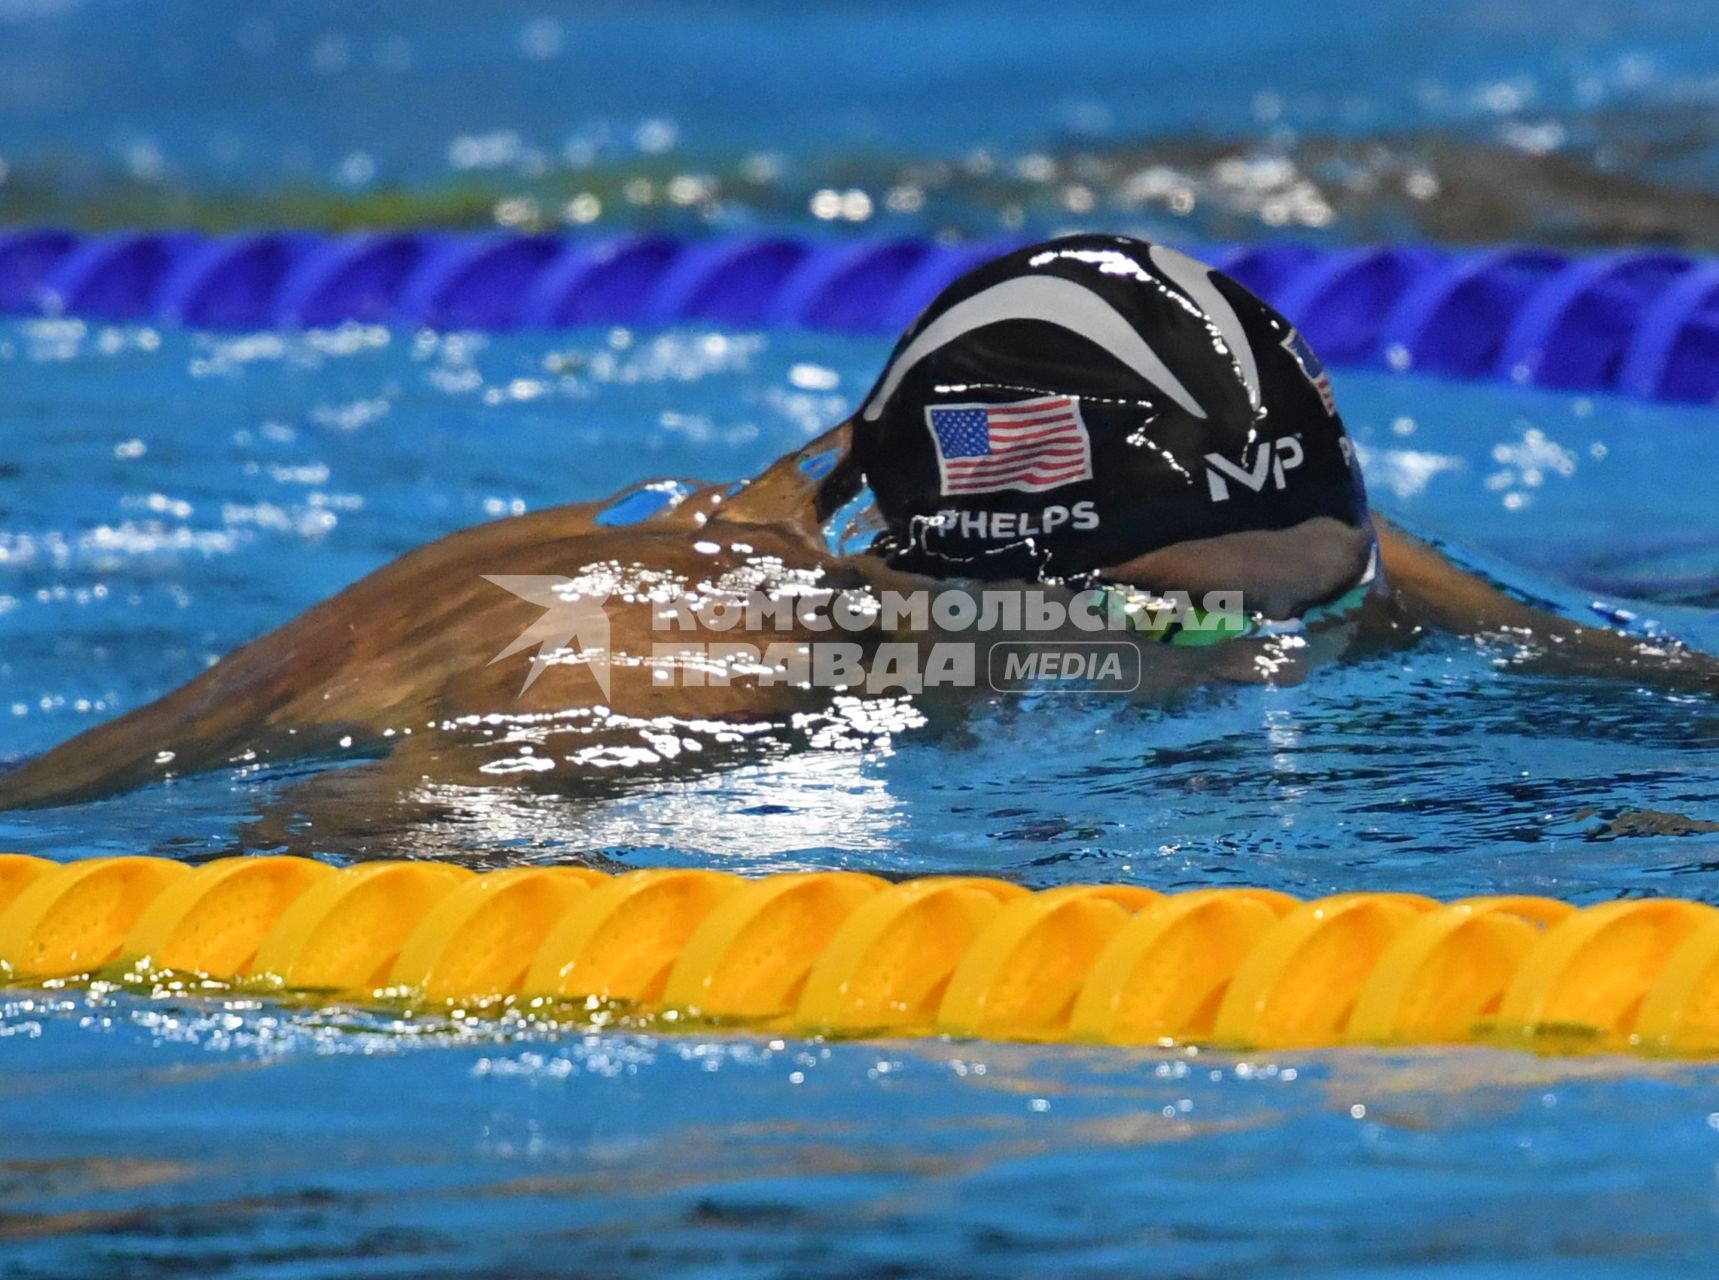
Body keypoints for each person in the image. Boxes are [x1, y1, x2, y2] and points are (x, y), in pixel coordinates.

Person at [0, 234, 1710, 826]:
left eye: (1324, 586)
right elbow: (304, 903)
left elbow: (1617, 679)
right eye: (1204, 623)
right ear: (989, 578)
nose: (1287, 648)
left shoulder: (1259, 546)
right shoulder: (677, 678)